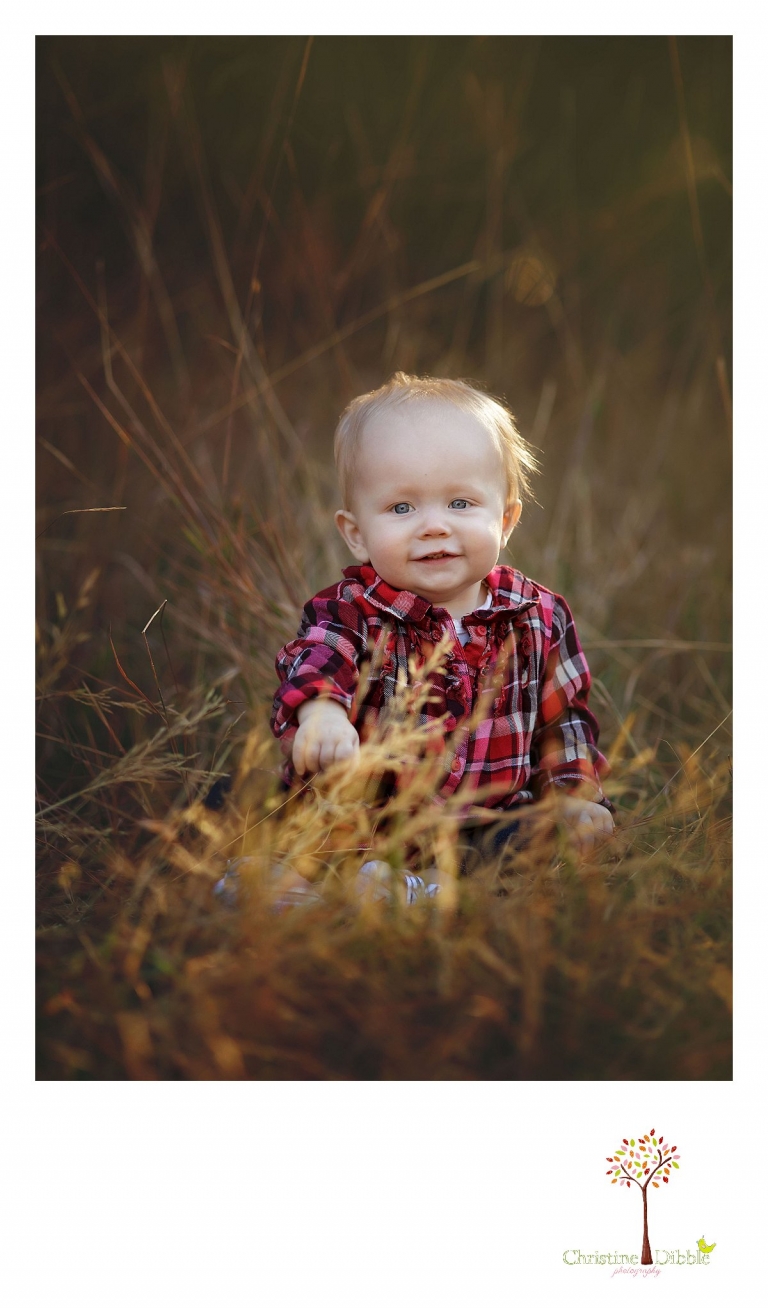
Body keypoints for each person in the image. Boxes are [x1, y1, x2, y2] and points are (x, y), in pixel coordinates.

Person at [270, 372, 614, 885]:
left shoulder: (537, 616)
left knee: (542, 842)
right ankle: (356, 878)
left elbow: (562, 727)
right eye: (401, 507)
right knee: (248, 808)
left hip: (487, 825)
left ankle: (449, 886)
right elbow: (321, 657)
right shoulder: (350, 610)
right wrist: (322, 715)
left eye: (460, 503)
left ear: (505, 520)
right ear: (357, 534)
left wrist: (574, 796)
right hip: (367, 823)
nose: (434, 525)